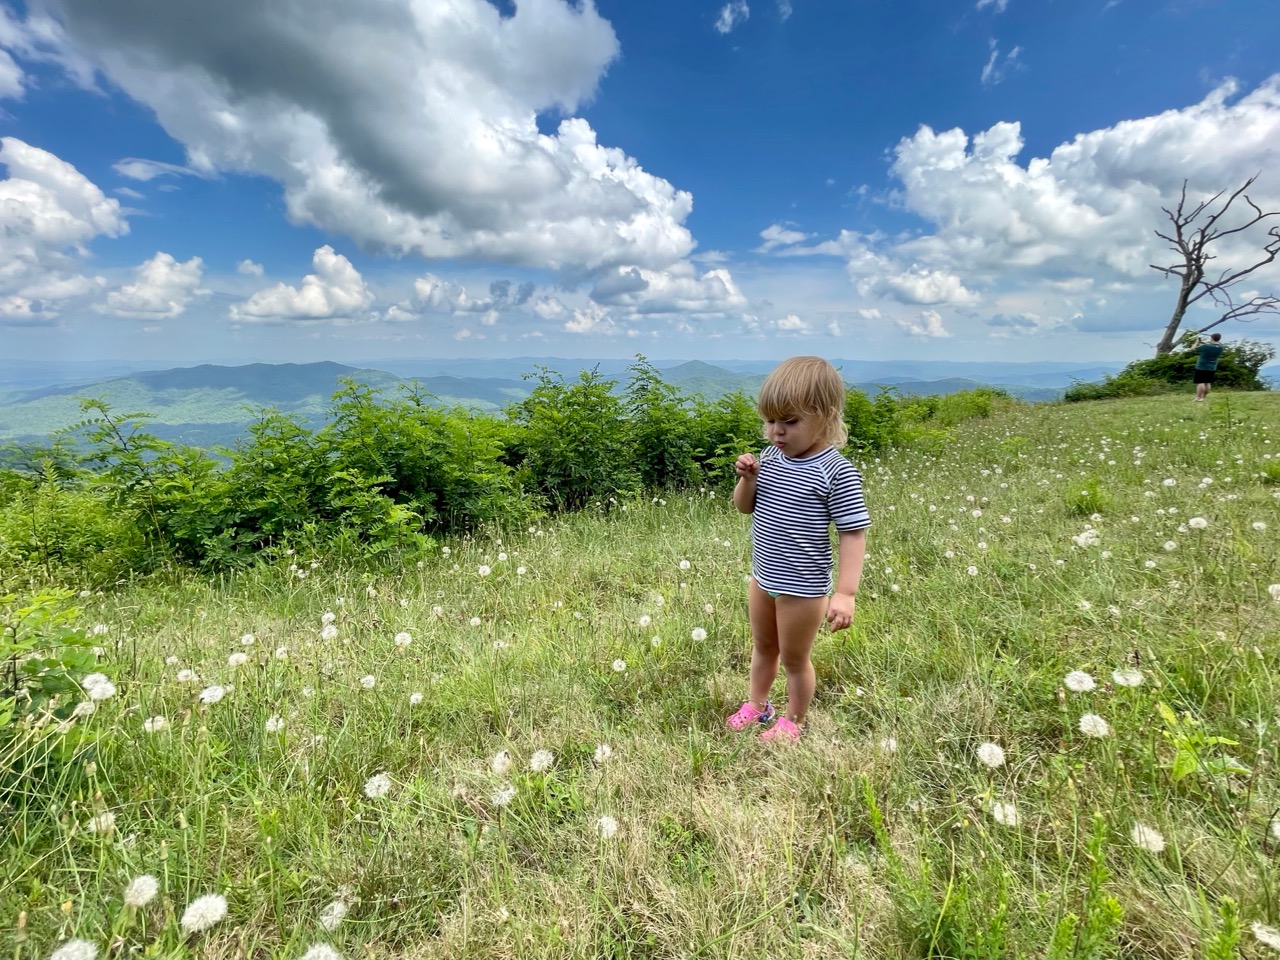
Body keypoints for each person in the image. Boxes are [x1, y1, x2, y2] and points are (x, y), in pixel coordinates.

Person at [727, 356, 871, 743]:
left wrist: (846, 592)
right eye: (770, 420)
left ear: (826, 416)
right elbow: (744, 507)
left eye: (789, 422)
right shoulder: (770, 458)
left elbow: (853, 533)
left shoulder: (836, 472)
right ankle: (758, 705)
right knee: (763, 647)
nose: (776, 431)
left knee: (794, 659)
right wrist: (747, 480)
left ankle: (794, 721)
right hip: (763, 578)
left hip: (803, 588)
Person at [1193, 332, 1225, 402]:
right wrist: (1203, 342)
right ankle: (1203, 397)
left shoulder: (1206, 346)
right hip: (1212, 367)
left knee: (1200, 382)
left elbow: (1193, 349)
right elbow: (1213, 345)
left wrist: (1197, 342)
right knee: (1207, 382)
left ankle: (1198, 398)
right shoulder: (1221, 347)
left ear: (1212, 338)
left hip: (1202, 366)